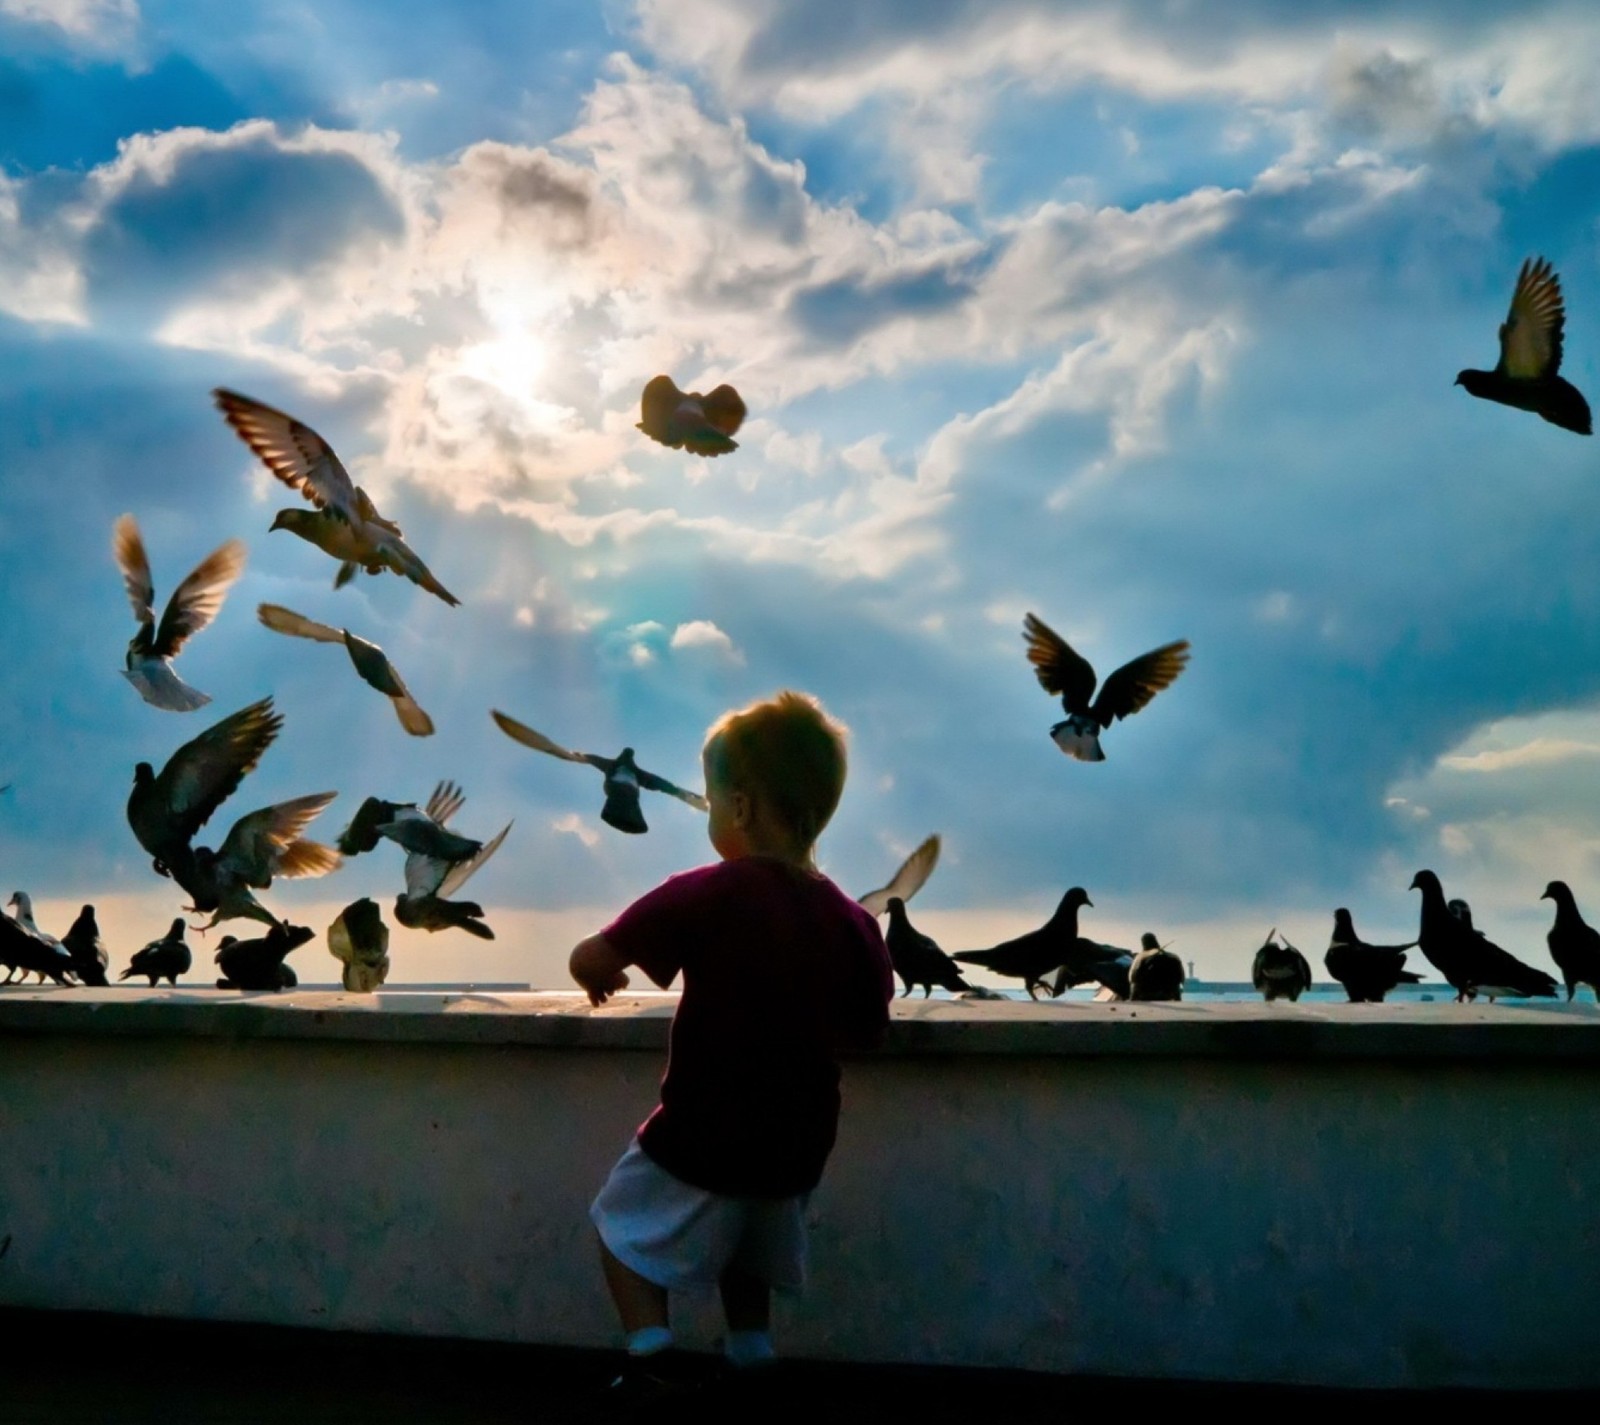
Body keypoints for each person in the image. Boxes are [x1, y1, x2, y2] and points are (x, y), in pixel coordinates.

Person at [570, 690, 893, 1400]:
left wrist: (599, 974)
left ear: (741, 807)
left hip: (703, 1131)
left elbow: (592, 956)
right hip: (798, 1145)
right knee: (747, 1241)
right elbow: (869, 1026)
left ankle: (651, 1352)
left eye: (713, 802)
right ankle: (750, 1352)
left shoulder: (705, 893)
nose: (711, 816)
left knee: (619, 1222)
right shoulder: (851, 921)